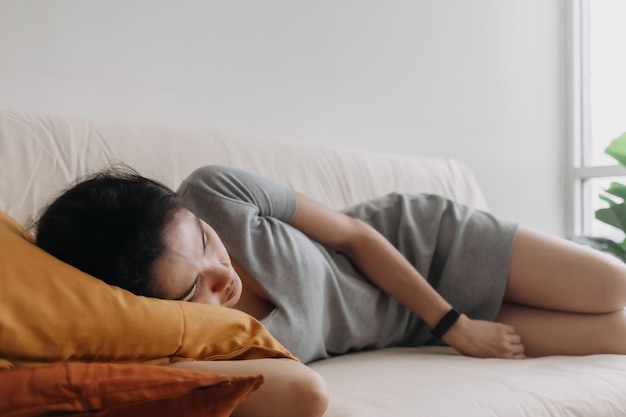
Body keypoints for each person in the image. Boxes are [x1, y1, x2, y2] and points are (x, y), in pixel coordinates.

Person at [34, 164, 626, 414]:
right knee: (619, 334)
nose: (227, 278)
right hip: (412, 327)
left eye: (207, 241)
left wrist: (456, 325)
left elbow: (357, 235)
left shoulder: (213, 190)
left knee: (611, 285)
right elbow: (304, 395)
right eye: (195, 289)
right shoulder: (204, 346)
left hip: (421, 247)